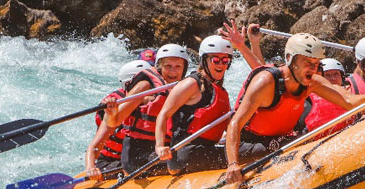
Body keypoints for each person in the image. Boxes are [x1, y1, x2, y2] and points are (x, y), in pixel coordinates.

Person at [224, 33, 365, 183]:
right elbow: (235, 124)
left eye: (316, 64)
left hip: (281, 138)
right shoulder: (266, 82)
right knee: (288, 143)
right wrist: (233, 164)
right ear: (290, 59)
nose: (312, 69)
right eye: (307, 63)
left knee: (303, 140)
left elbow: (348, 101)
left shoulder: (312, 82)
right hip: (248, 143)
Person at [154, 34, 257, 175]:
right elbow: (163, 114)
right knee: (255, 151)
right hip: (186, 154)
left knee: (246, 145)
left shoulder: (220, 91)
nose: (220, 64)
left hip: (204, 150)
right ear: (204, 60)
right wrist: (160, 146)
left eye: (225, 60)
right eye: (215, 59)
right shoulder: (191, 84)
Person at [103, 43, 190, 175]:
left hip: (164, 148)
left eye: (178, 66)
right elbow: (114, 122)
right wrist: (111, 113)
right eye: (168, 66)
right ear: (159, 66)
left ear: (184, 69)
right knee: (185, 161)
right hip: (137, 156)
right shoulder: (145, 85)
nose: (173, 71)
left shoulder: (185, 88)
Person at [84, 60, 153, 180]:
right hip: (109, 162)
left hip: (136, 157)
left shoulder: (155, 102)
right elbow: (94, 146)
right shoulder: (114, 107)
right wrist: (90, 168)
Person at [304, 58, 351, 135]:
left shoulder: (351, 93)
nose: (333, 78)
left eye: (336, 74)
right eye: (327, 75)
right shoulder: (309, 98)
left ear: (342, 77)